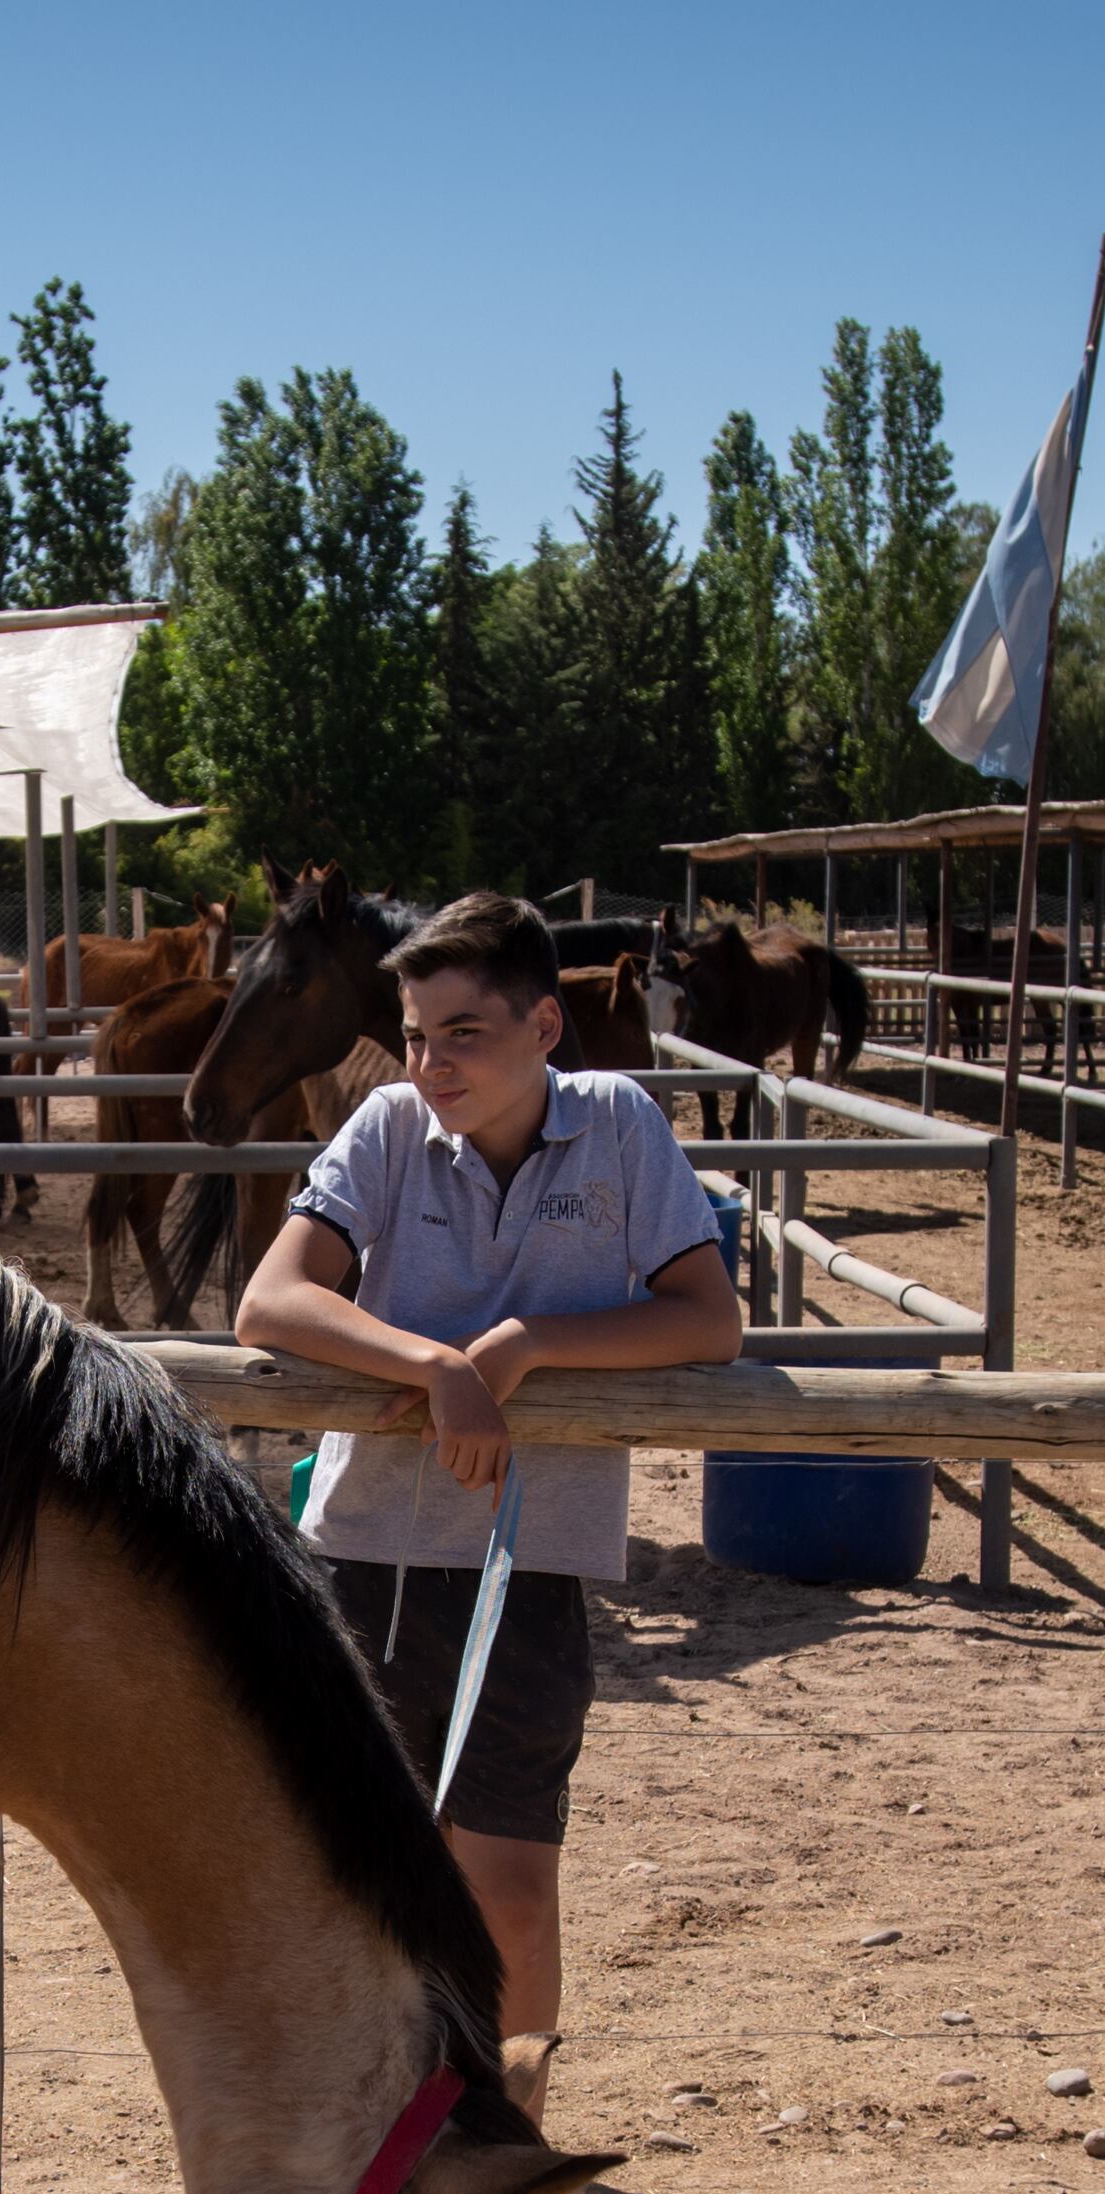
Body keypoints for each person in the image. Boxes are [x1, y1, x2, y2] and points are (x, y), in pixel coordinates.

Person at [235, 892, 740, 2116]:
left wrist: (523, 1344)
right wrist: (435, 1366)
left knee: (510, 1881)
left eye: (462, 1032)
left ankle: (508, 2138)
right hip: (367, 1554)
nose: (430, 1063)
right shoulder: (386, 1129)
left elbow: (708, 1317)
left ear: (544, 1026)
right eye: (415, 1034)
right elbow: (269, 1304)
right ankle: (351, 2129)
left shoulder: (618, 1125)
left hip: (535, 1560)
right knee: (355, 1873)